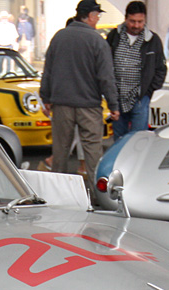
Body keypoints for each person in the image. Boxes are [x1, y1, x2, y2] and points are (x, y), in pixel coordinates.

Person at [40, 0, 119, 179]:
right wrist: (113, 105)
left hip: (61, 105)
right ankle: (95, 197)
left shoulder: (59, 37)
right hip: (89, 106)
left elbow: (48, 70)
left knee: (60, 153)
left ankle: (57, 194)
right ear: (90, 16)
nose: (98, 19)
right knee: (92, 154)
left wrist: (46, 97)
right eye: (97, 15)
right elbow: (106, 77)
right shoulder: (98, 41)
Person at [105, 1, 166, 142]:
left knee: (138, 141)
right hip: (117, 98)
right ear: (125, 18)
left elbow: (160, 69)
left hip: (140, 99)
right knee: (119, 140)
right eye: (132, 21)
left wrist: (148, 91)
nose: (136, 25)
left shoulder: (153, 40)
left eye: (140, 21)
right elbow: (105, 65)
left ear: (145, 20)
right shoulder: (114, 36)